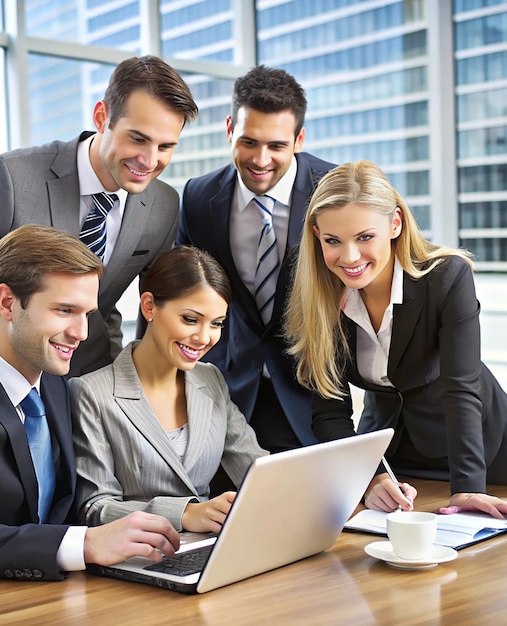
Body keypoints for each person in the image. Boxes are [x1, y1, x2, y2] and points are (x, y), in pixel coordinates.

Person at [0, 225, 180, 593]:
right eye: (65, 310)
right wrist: (84, 544)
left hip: (48, 590)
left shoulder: (52, 380)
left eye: (87, 313)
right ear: (7, 303)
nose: (81, 333)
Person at [0, 55, 198, 376]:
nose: (149, 160)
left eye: (165, 147)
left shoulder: (163, 204)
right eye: (138, 138)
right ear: (102, 117)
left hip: (95, 378)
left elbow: (148, 312)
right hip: (7, 376)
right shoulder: (11, 179)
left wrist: (135, 387)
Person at [284, 160, 507, 518]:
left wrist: (468, 487)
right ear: (316, 234)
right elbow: (329, 412)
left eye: (365, 237)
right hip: (393, 454)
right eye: (333, 241)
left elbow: (461, 388)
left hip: (478, 453)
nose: (350, 257)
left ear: (395, 224)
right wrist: (369, 477)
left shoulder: (446, 277)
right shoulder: (318, 296)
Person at [177, 65, 335, 463]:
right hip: (224, 393)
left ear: (299, 139)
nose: (260, 159)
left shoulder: (334, 190)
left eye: (277, 146)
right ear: (229, 128)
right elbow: (178, 294)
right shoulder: (198, 197)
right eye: (248, 141)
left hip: (312, 394)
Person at [70, 246, 267, 533]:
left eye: (216, 324)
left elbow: (256, 468)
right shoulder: (91, 392)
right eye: (190, 319)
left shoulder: (210, 379)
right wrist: (185, 514)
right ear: (149, 306)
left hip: (206, 549)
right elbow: (95, 507)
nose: (203, 337)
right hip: (134, 556)